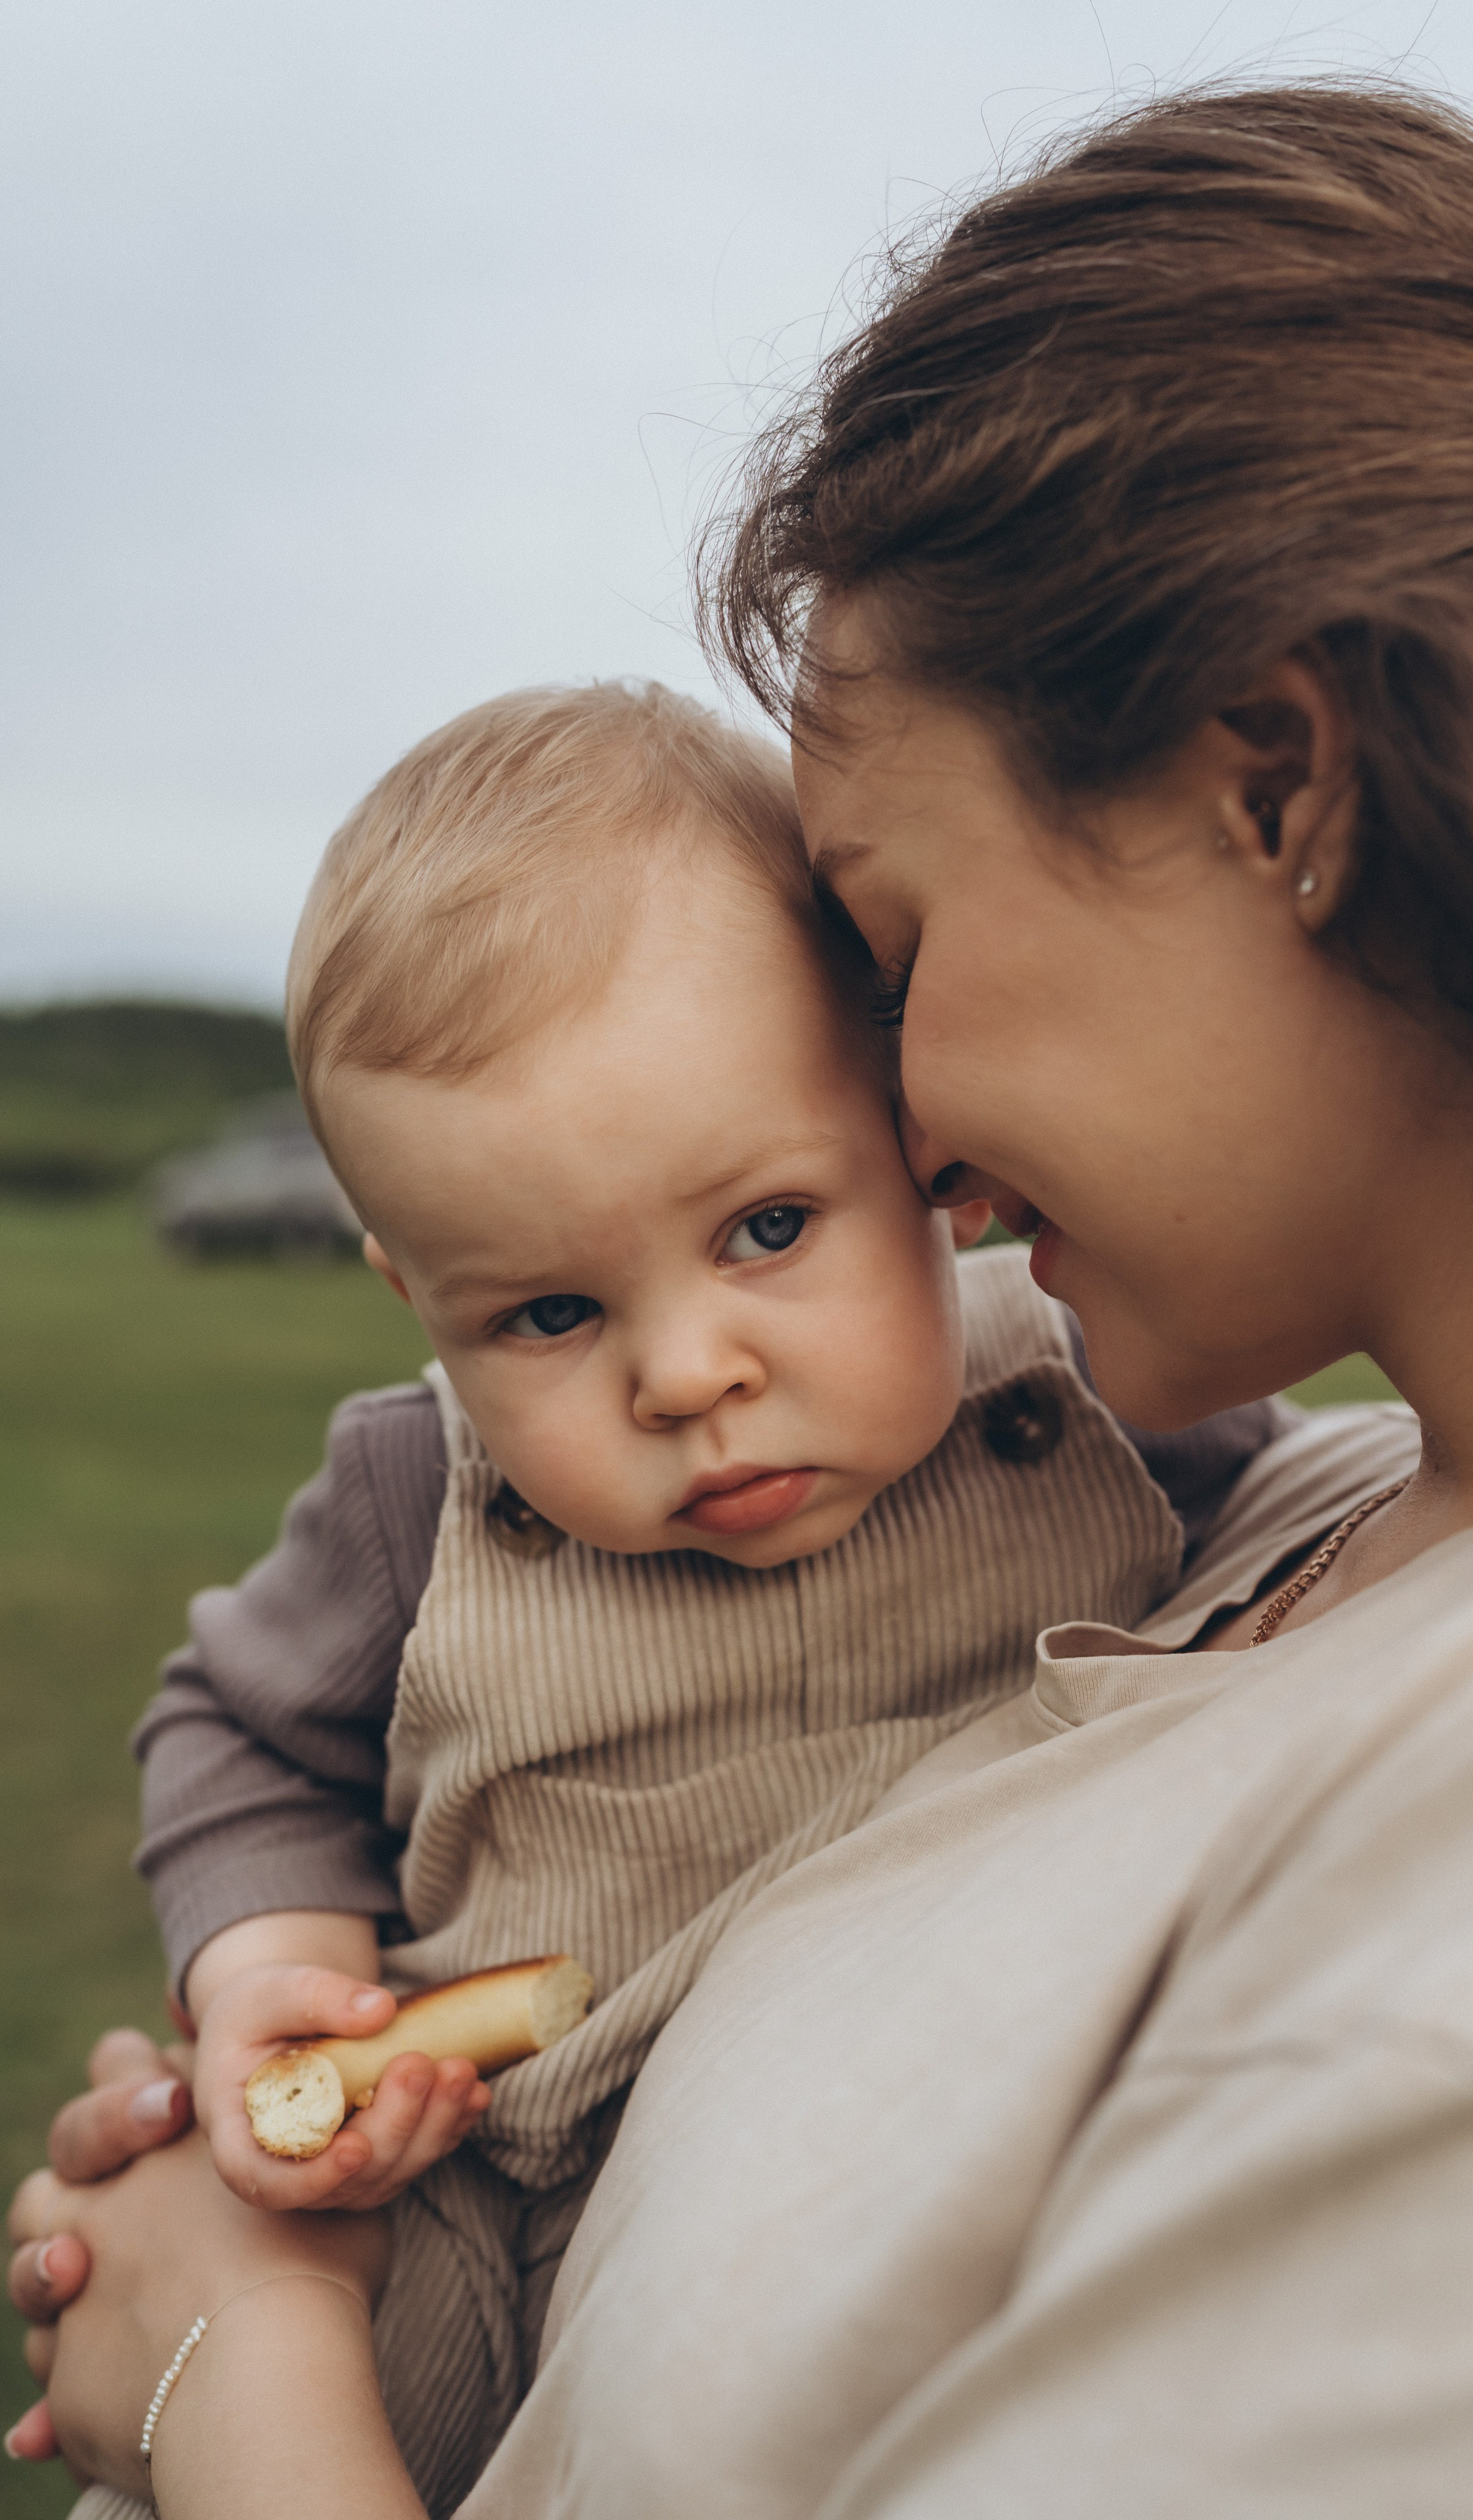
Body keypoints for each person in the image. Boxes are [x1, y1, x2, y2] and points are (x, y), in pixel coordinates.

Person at [14, 77, 1473, 2517]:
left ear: (1279, 792)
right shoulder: (1289, 1522)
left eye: (892, 949)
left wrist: (238, 2393)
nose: (891, 1134)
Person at [33, 678, 1301, 2517]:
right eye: (547, 1313)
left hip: (869, 2189)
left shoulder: (1094, 1398)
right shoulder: (417, 1496)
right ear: (416, 1295)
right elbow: (231, 1730)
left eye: (770, 1228)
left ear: (917, 1147)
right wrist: (278, 1979)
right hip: (485, 2175)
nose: (687, 1375)